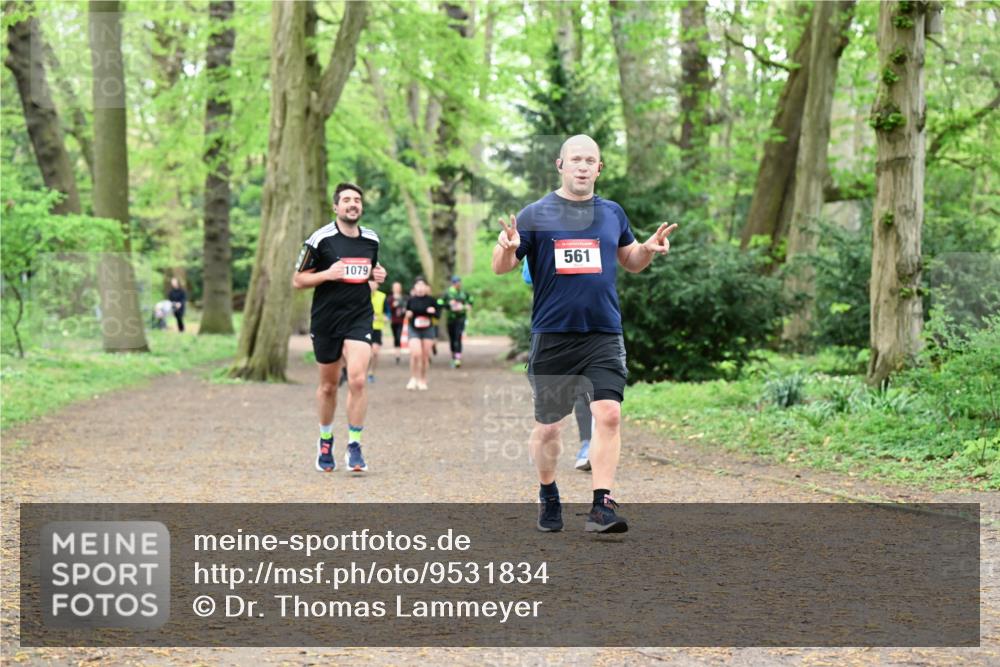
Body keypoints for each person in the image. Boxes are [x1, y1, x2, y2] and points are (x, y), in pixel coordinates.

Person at [491, 134, 677, 534]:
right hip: (553, 335)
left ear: (599, 168)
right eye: (574, 159)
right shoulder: (536, 214)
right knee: (549, 427)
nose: (581, 166)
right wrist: (507, 247)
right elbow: (501, 267)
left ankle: (601, 505)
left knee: (608, 413)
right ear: (560, 165)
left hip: (603, 333)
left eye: (589, 160)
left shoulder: (612, 213)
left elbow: (629, 261)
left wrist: (646, 248)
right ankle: (548, 492)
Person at [293, 182, 387, 473]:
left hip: (359, 317)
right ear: (336, 207)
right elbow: (298, 281)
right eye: (346, 199)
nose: (352, 204)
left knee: (358, 380)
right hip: (326, 320)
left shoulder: (371, 240)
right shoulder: (320, 239)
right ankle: (325, 440)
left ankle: (355, 445)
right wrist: (326, 274)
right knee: (328, 386)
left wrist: (377, 276)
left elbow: (368, 275)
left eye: (357, 200)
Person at [523, 262, 593, 471]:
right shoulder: (542, 235)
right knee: (550, 422)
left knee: (589, 392)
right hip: (552, 333)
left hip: (592, 328)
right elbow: (528, 276)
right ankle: (541, 448)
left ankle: (588, 445)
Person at [403, 277, 437, 391]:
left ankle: (423, 379)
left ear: (427, 288)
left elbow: (438, 314)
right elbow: (406, 312)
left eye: (423, 285)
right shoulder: (411, 300)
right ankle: (413, 378)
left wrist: (433, 311)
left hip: (427, 329)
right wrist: (408, 314)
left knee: (425, 356)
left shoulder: (431, 300)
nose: (421, 287)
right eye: (418, 285)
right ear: (415, 287)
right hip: (414, 329)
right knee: (415, 353)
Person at [444, 276, 473, 368]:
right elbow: (441, 302)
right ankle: (453, 356)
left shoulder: (464, 293)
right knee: (452, 339)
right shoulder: (448, 293)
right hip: (450, 319)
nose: (458, 284)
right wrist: (449, 305)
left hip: (461, 318)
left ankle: (458, 359)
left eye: (459, 282)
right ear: (453, 283)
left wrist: (466, 306)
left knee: (458, 337)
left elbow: (471, 301)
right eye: (456, 282)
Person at [368, 279, 388, 382]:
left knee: (375, 353)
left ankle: (371, 373)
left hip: (377, 328)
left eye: (374, 282)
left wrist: (385, 317)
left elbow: (387, 313)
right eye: (370, 282)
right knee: (368, 354)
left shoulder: (382, 296)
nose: (372, 284)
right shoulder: (361, 294)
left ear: (378, 285)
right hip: (364, 328)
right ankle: (362, 372)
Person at [388, 281, 407, 365]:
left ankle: (398, 355)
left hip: (401, 320)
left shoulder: (403, 297)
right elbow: (388, 309)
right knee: (395, 337)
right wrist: (393, 306)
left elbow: (406, 307)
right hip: (393, 320)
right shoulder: (390, 298)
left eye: (398, 287)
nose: (397, 288)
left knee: (399, 336)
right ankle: (396, 354)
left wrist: (404, 311)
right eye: (395, 287)